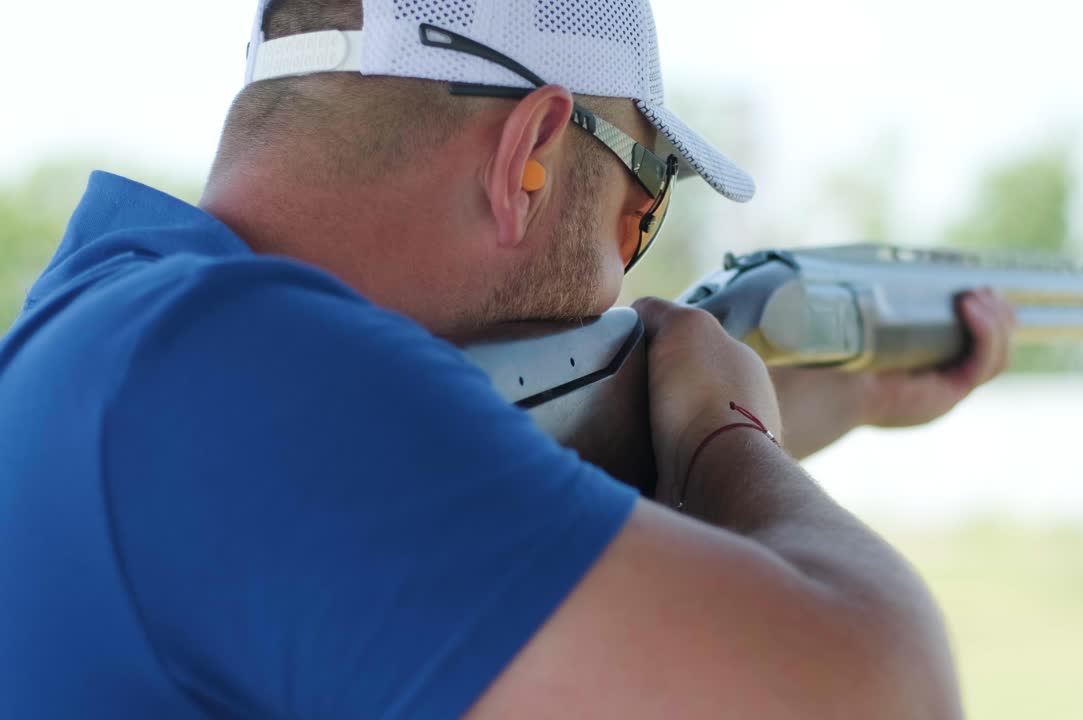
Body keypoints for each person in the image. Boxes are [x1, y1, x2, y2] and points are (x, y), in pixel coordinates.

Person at [0, 1, 1015, 718]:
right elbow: (885, 695)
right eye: (644, 194)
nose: (633, 255)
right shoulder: (251, 375)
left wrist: (809, 395)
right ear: (522, 160)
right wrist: (725, 434)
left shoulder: (124, 336)